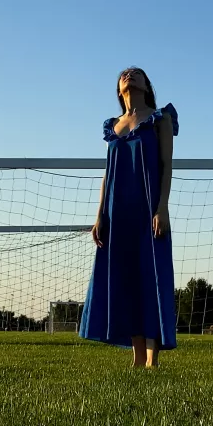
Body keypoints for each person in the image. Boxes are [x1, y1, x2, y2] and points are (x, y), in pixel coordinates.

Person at [79, 67, 178, 367]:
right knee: (126, 279)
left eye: (137, 74)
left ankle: (152, 358)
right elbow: (107, 174)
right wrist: (100, 215)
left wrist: (162, 206)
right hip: (117, 212)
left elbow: (166, 165)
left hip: (148, 209)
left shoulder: (160, 118)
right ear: (118, 89)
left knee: (152, 275)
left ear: (147, 85)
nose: (129, 76)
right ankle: (136, 358)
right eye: (124, 74)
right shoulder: (113, 126)